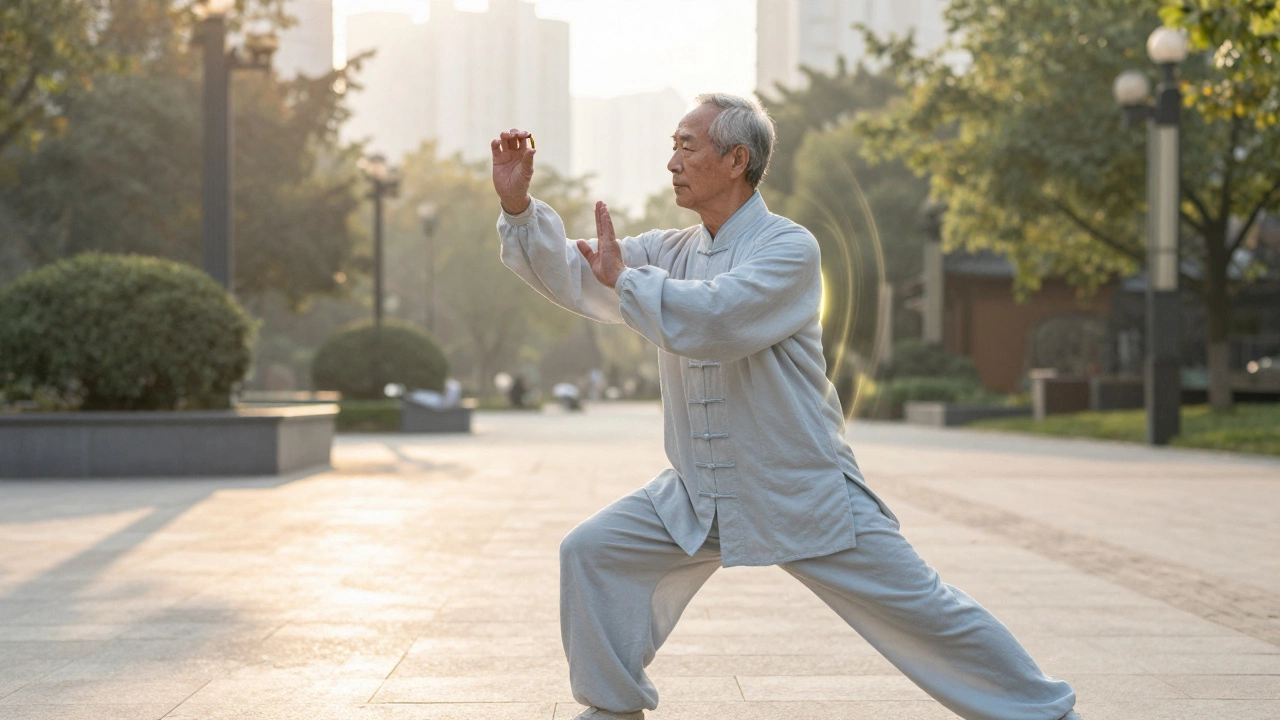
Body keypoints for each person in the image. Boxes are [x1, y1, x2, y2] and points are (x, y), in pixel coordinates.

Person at [492, 94, 1082, 720]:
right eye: (673, 146)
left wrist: (627, 281)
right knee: (593, 551)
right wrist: (518, 208)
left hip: (798, 485)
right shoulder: (670, 249)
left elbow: (718, 319)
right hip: (699, 492)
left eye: (686, 146)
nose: (672, 162)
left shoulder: (788, 249)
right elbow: (579, 272)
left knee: (923, 609)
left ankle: (1045, 712)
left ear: (736, 158)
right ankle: (613, 710)